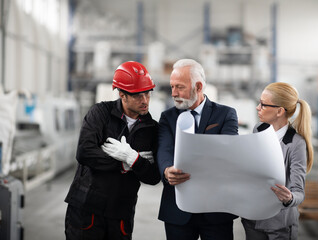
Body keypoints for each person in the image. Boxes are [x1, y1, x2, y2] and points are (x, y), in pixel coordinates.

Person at [64, 61, 161, 240]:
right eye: (138, 96)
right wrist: (123, 165)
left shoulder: (152, 129)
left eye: (147, 93)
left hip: (121, 213)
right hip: (87, 209)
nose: (145, 100)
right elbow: (85, 152)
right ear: (122, 95)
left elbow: (154, 176)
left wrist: (134, 159)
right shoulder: (100, 113)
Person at [157, 59, 239, 240]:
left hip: (216, 209)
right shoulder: (167, 117)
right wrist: (167, 169)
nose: (173, 93)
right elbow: (164, 149)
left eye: (179, 87)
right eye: (171, 87)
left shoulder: (225, 114)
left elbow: (227, 151)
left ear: (198, 86)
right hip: (177, 208)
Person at [241, 82, 313, 239]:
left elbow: (299, 192)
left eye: (263, 104)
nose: (257, 107)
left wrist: (289, 198)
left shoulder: (296, 143)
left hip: (279, 225)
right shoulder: (258, 130)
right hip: (253, 220)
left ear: (280, 111)